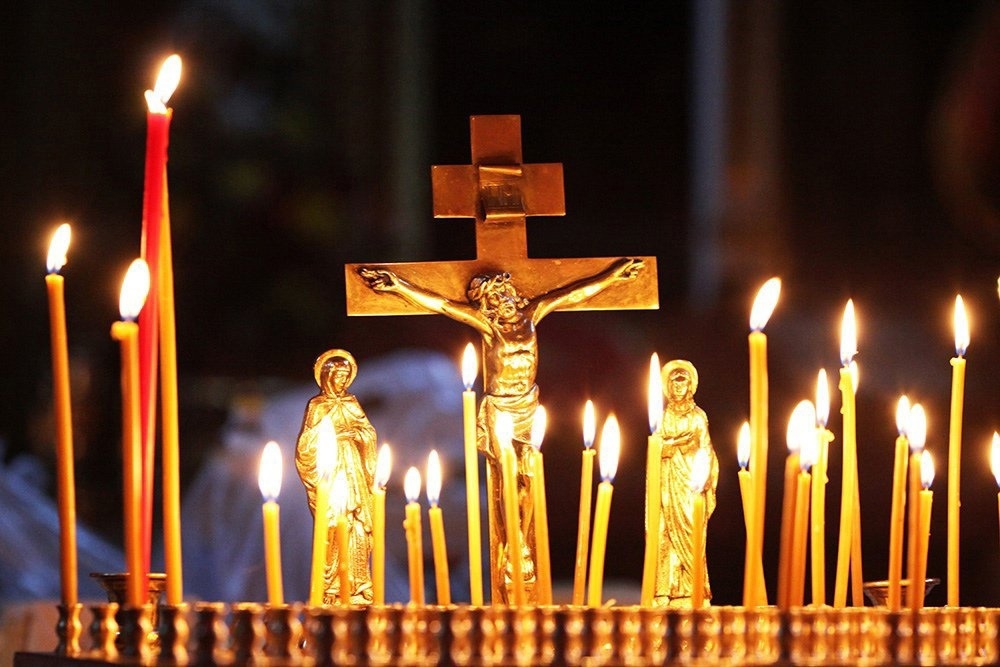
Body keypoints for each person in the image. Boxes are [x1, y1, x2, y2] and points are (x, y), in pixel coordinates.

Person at [359, 258, 643, 603]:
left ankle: (521, 552)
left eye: (504, 296)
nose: (502, 303)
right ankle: (510, 554)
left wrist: (613, 276)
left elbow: (573, 293)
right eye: (494, 300)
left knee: (527, 479)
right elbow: (441, 304)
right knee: (503, 481)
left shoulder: (532, 315)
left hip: (527, 407)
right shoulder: (488, 327)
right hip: (499, 411)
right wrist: (397, 285)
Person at [295, 349, 377, 605]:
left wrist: (358, 436)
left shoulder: (351, 402)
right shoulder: (317, 406)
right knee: (332, 525)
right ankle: (331, 586)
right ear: (327, 378)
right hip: (331, 469)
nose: (342, 382)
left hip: (353, 469)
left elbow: (368, 432)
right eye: (338, 377)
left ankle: (359, 584)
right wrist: (333, 436)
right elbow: (306, 444)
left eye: (345, 377)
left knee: (357, 524)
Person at [655, 359, 719, 608]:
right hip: (668, 482)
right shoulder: (664, 417)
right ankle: (665, 588)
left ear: (690, 386)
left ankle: (695, 587)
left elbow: (706, 449)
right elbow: (655, 448)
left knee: (692, 533)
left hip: (690, 483)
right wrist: (672, 445)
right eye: (674, 383)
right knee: (665, 533)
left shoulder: (698, 417)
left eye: (683, 383)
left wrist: (704, 478)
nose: (679, 388)